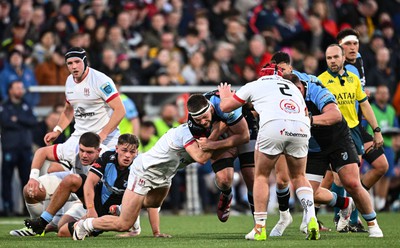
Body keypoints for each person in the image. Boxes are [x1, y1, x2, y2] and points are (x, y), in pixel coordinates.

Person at [218, 64, 319, 240]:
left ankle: (259, 228)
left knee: (262, 176)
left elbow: (226, 107)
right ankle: (311, 218)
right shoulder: (293, 88)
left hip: (274, 126)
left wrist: (225, 95)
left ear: (262, 75)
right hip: (301, 127)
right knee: (299, 176)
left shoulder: (255, 85)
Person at [72, 122, 221, 240]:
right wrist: (91, 209)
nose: (127, 155)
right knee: (123, 224)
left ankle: (124, 208)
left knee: (154, 202)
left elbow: (153, 207)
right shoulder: (109, 157)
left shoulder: (196, 137)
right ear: (116, 149)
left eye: (132, 151)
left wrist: (156, 232)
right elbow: (201, 158)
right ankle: (83, 225)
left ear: (137, 152)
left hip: (164, 174)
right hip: (102, 199)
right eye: (124, 150)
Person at [25, 46, 125, 201]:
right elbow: (68, 110)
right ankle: (56, 215)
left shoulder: (101, 80)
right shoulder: (69, 81)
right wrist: (57, 130)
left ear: (85, 62)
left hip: (106, 140)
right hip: (79, 137)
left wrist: (102, 135)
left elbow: (120, 110)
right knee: (53, 170)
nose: (74, 66)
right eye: (69, 63)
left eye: (77, 62)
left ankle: (112, 211)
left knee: (105, 182)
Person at [289, 73, 383, 238]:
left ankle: (373, 224)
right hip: (314, 147)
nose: (293, 96)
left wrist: (309, 119)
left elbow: (335, 115)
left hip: (338, 141)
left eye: (296, 91)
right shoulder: (286, 98)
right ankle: (345, 203)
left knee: (352, 183)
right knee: (309, 193)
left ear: (300, 87)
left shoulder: (316, 90)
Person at [318, 44, 384, 236]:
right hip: (332, 133)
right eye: (329, 58)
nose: (332, 61)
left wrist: (376, 130)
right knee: (339, 177)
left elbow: (364, 105)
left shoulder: (353, 79)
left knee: (352, 179)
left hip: (353, 131)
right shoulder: (320, 81)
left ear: (343, 58)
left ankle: (348, 218)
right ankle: (343, 216)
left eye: (335, 57)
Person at [335, 28, 389, 231]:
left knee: (381, 165)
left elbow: (362, 99)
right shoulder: (336, 68)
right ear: (339, 46)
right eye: (348, 43)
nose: (352, 47)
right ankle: (347, 215)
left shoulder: (358, 60)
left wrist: (375, 128)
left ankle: (351, 205)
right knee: (341, 176)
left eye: (355, 43)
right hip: (342, 128)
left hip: (359, 125)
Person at [10, 132, 102, 236]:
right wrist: (33, 178)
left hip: (93, 199)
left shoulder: (107, 158)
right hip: (74, 185)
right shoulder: (72, 148)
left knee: (62, 229)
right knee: (30, 189)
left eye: (89, 152)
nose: (84, 155)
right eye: (82, 151)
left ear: (99, 151)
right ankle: (36, 226)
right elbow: (42, 152)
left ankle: (50, 224)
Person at [186, 92, 252, 222]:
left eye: (205, 117)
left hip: (248, 131)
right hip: (224, 140)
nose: (203, 122)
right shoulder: (192, 122)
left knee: (251, 177)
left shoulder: (223, 107)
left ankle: (259, 223)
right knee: (224, 180)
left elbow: (244, 137)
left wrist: (212, 143)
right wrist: (217, 132)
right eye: (198, 120)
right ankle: (227, 194)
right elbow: (204, 154)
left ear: (210, 108)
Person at [0, 80, 37, 216]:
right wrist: (23, 121)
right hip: (10, 148)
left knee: (27, 180)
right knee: (7, 179)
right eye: (17, 88)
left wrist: (18, 119)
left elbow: (33, 122)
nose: (20, 90)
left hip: (25, 148)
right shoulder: (4, 105)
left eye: (21, 88)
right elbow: (5, 121)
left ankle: (26, 208)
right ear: (10, 90)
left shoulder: (26, 104)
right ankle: (7, 207)